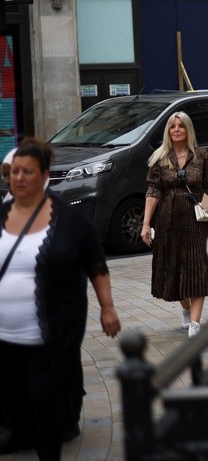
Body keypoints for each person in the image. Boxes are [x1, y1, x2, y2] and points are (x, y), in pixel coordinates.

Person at [0, 139, 121, 459]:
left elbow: (96, 263)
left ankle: (55, 434)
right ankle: (22, 431)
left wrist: (107, 308)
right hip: (5, 333)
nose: (18, 178)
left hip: (53, 328)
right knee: (15, 392)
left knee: (43, 391)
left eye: (27, 172)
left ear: (44, 176)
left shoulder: (69, 219)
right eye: (13, 173)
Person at [140, 112, 208, 338]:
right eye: (172, 126)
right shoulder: (159, 157)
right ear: (168, 131)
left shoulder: (201, 155)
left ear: (188, 130)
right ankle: (186, 308)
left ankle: (195, 323)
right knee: (174, 269)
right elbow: (153, 191)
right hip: (169, 219)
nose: (176, 130)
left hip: (197, 218)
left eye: (181, 126)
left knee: (198, 267)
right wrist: (146, 224)